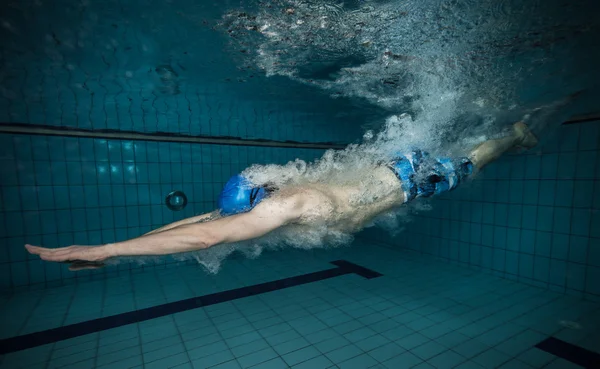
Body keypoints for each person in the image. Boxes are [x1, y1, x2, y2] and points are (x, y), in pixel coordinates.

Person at [25, 122, 538, 270]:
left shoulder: (286, 206)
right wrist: (121, 244)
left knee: (471, 161)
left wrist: (105, 251)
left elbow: (204, 237)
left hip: (408, 181)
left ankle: (516, 134)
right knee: (449, 143)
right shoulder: (276, 193)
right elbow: (203, 222)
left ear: (260, 202)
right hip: (388, 168)